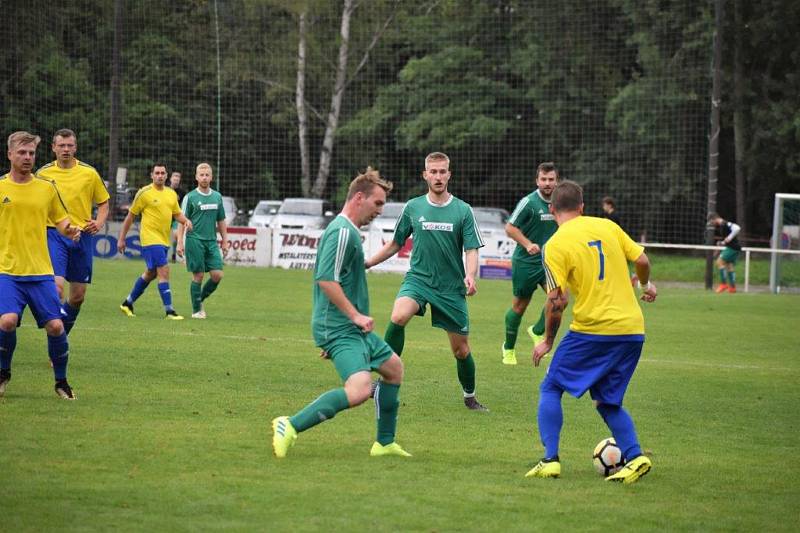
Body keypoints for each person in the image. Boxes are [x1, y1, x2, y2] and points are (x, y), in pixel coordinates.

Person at [272, 168, 410, 458]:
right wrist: (354, 317)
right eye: (378, 203)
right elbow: (325, 279)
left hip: (352, 329)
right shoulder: (342, 232)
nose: (380, 211)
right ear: (359, 198)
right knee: (359, 389)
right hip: (342, 326)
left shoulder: (349, 231)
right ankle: (290, 424)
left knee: (394, 369)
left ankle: (384, 444)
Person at [525, 180, 657, 484]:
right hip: (632, 330)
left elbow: (556, 301)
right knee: (607, 401)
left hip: (593, 329)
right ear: (582, 207)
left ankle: (550, 460)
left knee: (551, 387)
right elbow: (642, 260)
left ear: (552, 209)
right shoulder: (607, 226)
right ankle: (635, 458)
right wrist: (646, 285)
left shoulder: (555, 245)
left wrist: (547, 341)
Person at [365, 152, 488, 411]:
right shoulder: (413, 207)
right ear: (425, 175)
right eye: (433, 172)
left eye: (443, 171)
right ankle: (383, 378)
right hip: (418, 280)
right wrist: (368, 263)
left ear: (449, 175)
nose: (438, 176)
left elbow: (472, 249)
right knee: (398, 317)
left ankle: (470, 396)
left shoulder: (462, 210)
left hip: (450, 288)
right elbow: (396, 244)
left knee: (461, 351)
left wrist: (470, 275)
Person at [0, 131, 82, 399]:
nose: (27, 158)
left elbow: (61, 221)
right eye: (21, 153)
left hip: (40, 272)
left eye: (31, 153)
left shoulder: (46, 188)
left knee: (56, 327)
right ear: (10, 154)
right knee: (8, 321)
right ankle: (3, 373)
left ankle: (61, 382)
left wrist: (70, 230)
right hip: (8, 271)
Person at [36, 128, 110, 335]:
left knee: (78, 296)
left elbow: (104, 202)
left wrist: (99, 221)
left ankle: (61, 335)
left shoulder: (89, 173)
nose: (66, 149)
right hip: (54, 234)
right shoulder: (43, 174)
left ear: (75, 147)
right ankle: (55, 335)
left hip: (82, 236)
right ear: (53, 148)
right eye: (61, 145)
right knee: (56, 288)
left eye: (69, 145)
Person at [501, 162, 559, 365]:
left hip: (550, 263)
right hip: (526, 262)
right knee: (519, 307)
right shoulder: (529, 202)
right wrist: (527, 244)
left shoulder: (560, 202)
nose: (547, 183)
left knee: (559, 298)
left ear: (556, 180)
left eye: (551, 179)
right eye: (543, 179)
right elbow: (509, 228)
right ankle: (508, 348)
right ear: (537, 181)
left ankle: (537, 331)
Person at [118, 163, 193, 319]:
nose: (160, 175)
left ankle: (127, 303)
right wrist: (121, 239)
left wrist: (185, 221)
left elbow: (176, 214)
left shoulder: (171, 194)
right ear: (152, 175)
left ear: (166, 176)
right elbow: (130, 216)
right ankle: (169, 311)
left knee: (151, 273)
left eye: (162, 173)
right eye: (157, 173)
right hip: (150, 238)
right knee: (164, 271)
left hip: (164, 239)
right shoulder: (144, 193)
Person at [176, 163, 229, 319]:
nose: (204, 177)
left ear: (211, 177)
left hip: (211, 242)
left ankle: (199, 300)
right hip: (194, 240)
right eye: (202, 175)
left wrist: (225, 241)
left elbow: (221, 221)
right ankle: (196, 311)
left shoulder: (217, 197)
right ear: (196, 177)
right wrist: (180, 242)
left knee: (217, 275)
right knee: (198, 276)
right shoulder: (190, 197)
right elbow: (181, 220)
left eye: (207, 175)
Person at [709, 213, 741, 293]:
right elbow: (727, 240)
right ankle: (732, 288)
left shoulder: (725, 223)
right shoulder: (722, 226)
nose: (712, 224)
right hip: (733, 247)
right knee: (729, 266)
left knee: (719, 262)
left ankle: (723, 284)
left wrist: (729, 238)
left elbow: (737, 228)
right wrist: (722, 242)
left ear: (714, 219)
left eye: (712, 222)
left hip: (733, 248)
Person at [168, 171, 186, 262]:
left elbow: (184, 205)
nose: (176, 180)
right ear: (171, 179)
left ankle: (176, 255)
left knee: (176, 235)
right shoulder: (165, 190)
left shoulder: (182, 193)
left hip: (176, 217)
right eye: (174, 178)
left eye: (177, 179)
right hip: (165, 217)